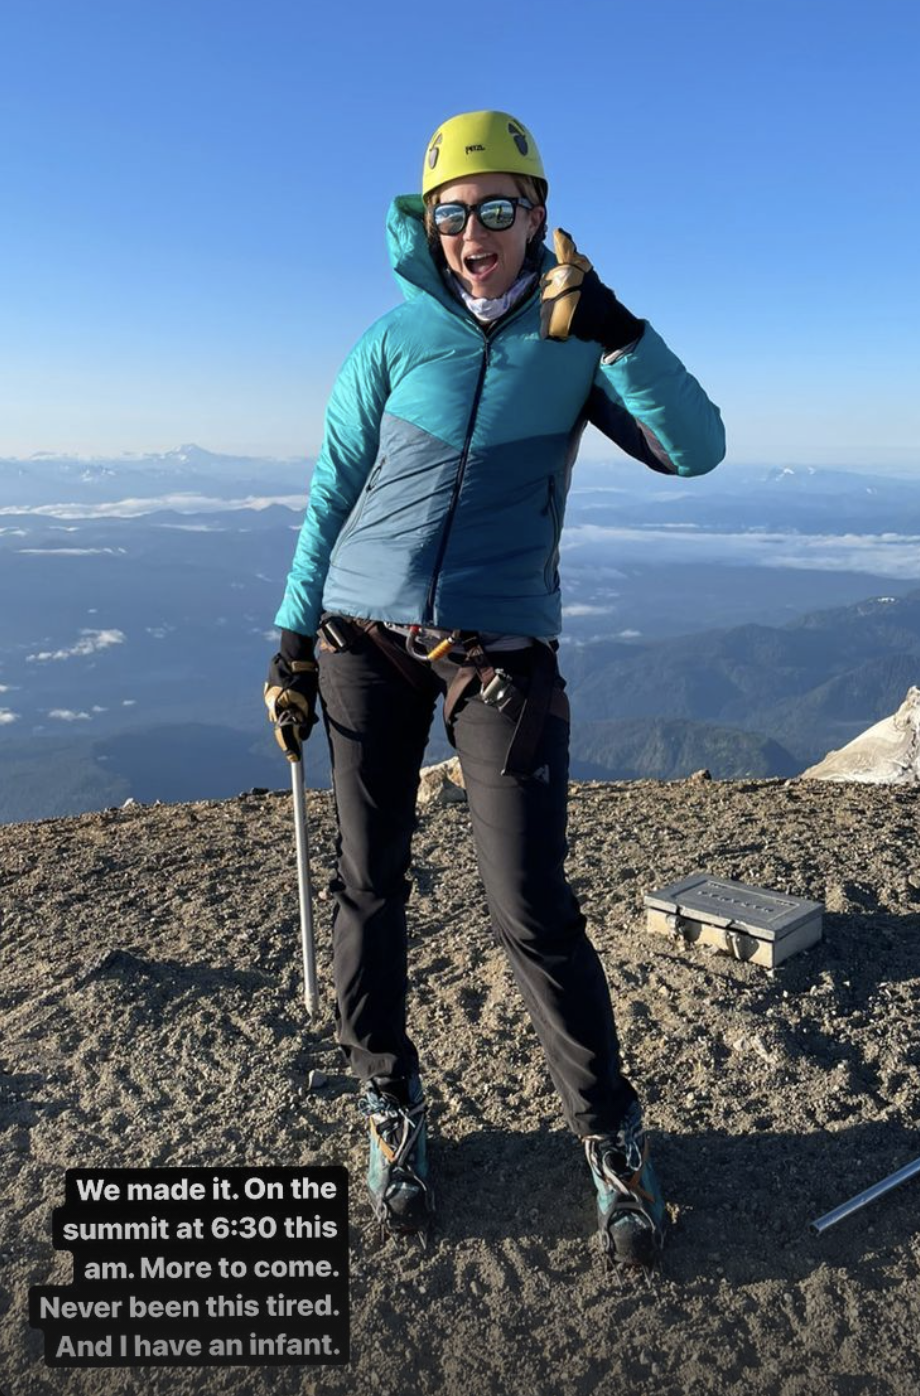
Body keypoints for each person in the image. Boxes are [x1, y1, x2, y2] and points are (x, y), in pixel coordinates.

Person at [265, 110, 725, 1267]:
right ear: (430, 225)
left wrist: (621, 328)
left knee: (530, 901)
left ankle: (610, 1130)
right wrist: (287, 641)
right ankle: (390, 1099)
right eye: (452, 213)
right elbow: (331, 492)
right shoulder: (391, 339)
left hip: (498, 652)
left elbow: (695, 448)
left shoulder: (577, 341)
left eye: (499, 209)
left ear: (539, 213)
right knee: (371, 886)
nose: (474, 232)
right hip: (358, 637)